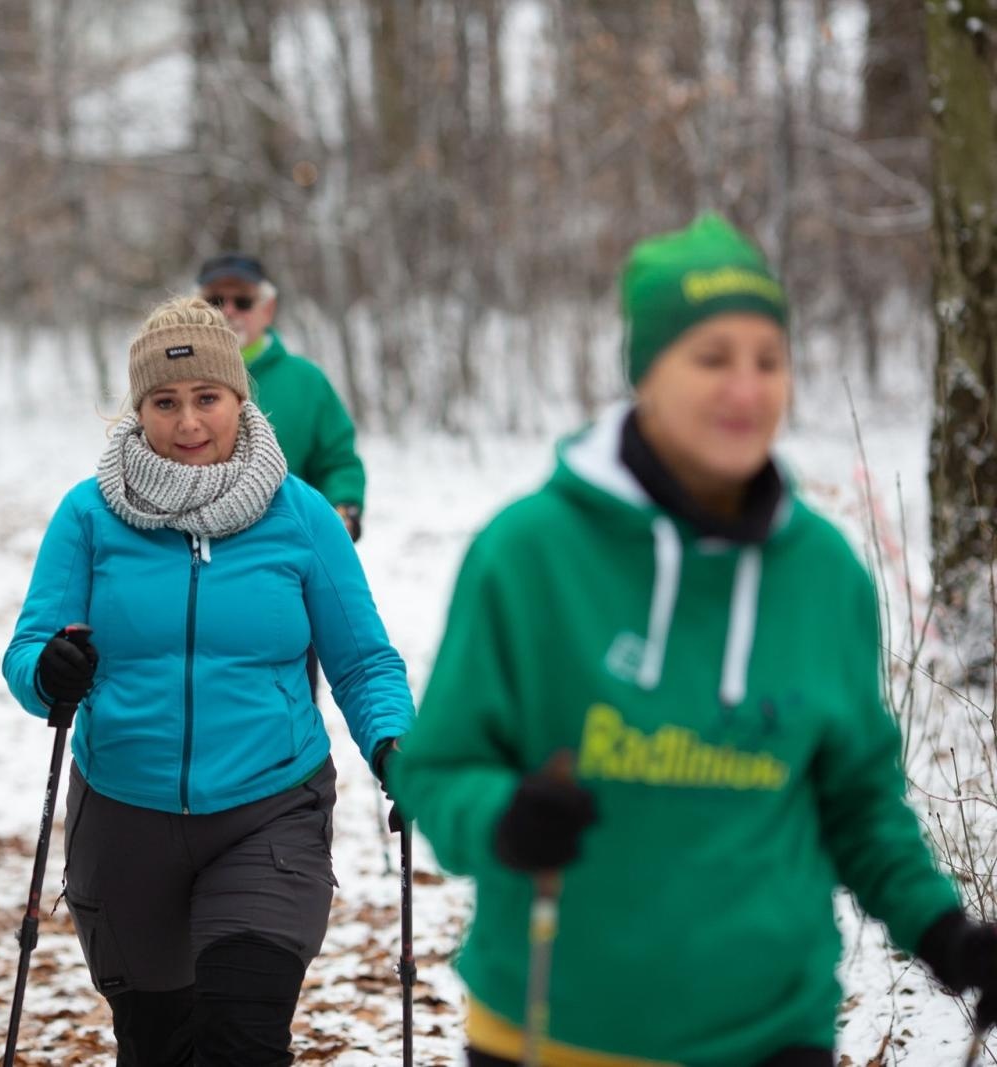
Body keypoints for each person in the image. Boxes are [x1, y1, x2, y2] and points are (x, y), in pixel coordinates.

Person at [387, 214, 997, 1067]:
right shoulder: (527, 555)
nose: (746, 389)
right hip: (554, 1031)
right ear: (646, 372)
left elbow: (857, 800)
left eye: (768, 360)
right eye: (712, 358)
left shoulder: (824, 575)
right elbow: (434, 769)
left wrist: (943, 930)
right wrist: (505, 819)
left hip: (771, 1034)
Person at [3, 295, 412, 1065]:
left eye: (206, 399)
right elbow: (28, 651)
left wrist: (395, 743)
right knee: (157, 1046)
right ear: (138, 408)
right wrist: (49, 671)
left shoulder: (302, 515)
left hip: (269, 809)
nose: (188, 423)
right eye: (165, 402)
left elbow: (363, 660)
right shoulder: (90, 515)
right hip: (125, 813)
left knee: (242, 1036)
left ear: (238, 398)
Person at [197, 253, 365, 702]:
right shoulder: (177, 385)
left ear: (267, 308)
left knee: (285, 683)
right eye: (216, 300)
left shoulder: (305, 382)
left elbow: (339, 460)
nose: (228, 310)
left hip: (283, 570)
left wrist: (344, 507)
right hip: (192, 566)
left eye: (242, 300)